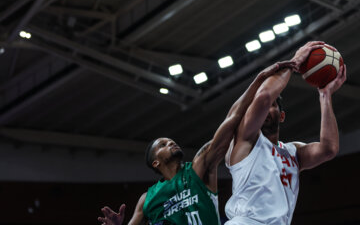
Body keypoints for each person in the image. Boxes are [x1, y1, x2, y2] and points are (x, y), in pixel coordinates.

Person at [98, 61, 296, 225]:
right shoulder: (147, 199)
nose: (171, 142)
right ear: (156, 163)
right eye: (163, 145)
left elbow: (232, 118)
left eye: (170, 140)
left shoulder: (199, 167)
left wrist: (259, 80)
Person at [224, 41, 347, 225]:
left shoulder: (293, 152)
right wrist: (295, 62)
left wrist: (325, 96)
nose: (265, 108)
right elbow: (264, 97)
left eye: (273, 106)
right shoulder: (244, 140)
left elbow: (328, 149)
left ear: (282, 116)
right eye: (258, 107)